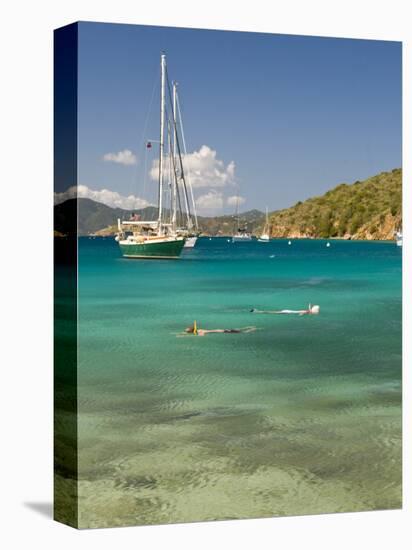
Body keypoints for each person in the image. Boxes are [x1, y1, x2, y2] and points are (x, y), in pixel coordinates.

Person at [185, 321, 255, 336]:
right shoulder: (199, 330)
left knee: (242, 332)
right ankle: (249, 327)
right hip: (221, 330)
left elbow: (202, 335)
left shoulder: (200, 332)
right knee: (237, 330)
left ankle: (252, 329)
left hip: (222, 331)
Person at [250, 304, 320, 315]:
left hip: (288, 310)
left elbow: (309, 308)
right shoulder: (305, 312)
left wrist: (310, 305)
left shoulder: (306, 310)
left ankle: (257, 311)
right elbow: (302, 313)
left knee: (272, 312)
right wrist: (301, 314)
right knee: (272, 312)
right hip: (287, 312)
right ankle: (257, 311)